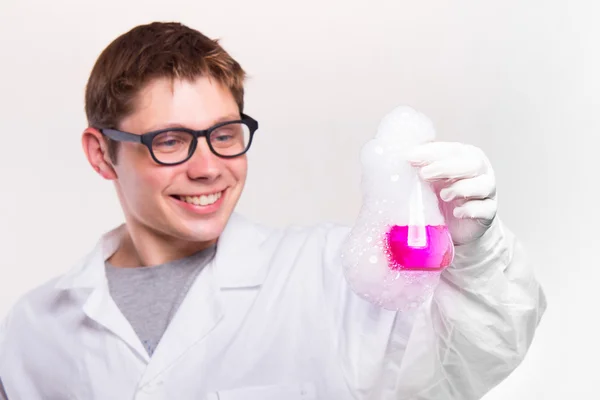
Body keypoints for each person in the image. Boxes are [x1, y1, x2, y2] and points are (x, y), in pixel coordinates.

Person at [0, 22, 546, 400]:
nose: (209, 167)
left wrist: (476, 250)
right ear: (102, 153)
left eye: (224, 134)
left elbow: (474, 356)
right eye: (170, 140)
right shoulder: (35, 329)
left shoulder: (330, 274)